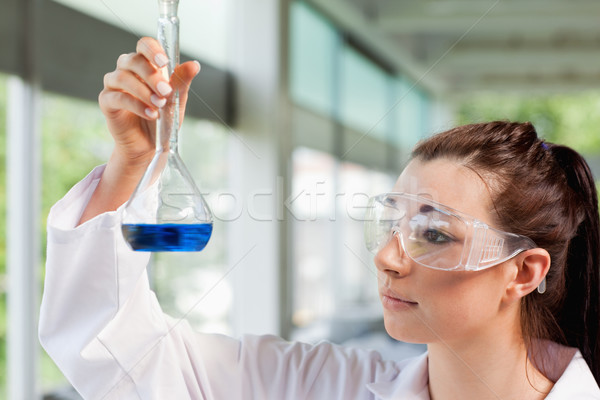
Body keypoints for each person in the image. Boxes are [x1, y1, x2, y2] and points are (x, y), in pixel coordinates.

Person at [39, 37, 600, 399]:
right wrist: (132, 164)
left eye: (433, 233)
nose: (386, 257)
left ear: (524, 272)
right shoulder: (325, 387)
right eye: (391, 224)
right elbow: (122, 351)